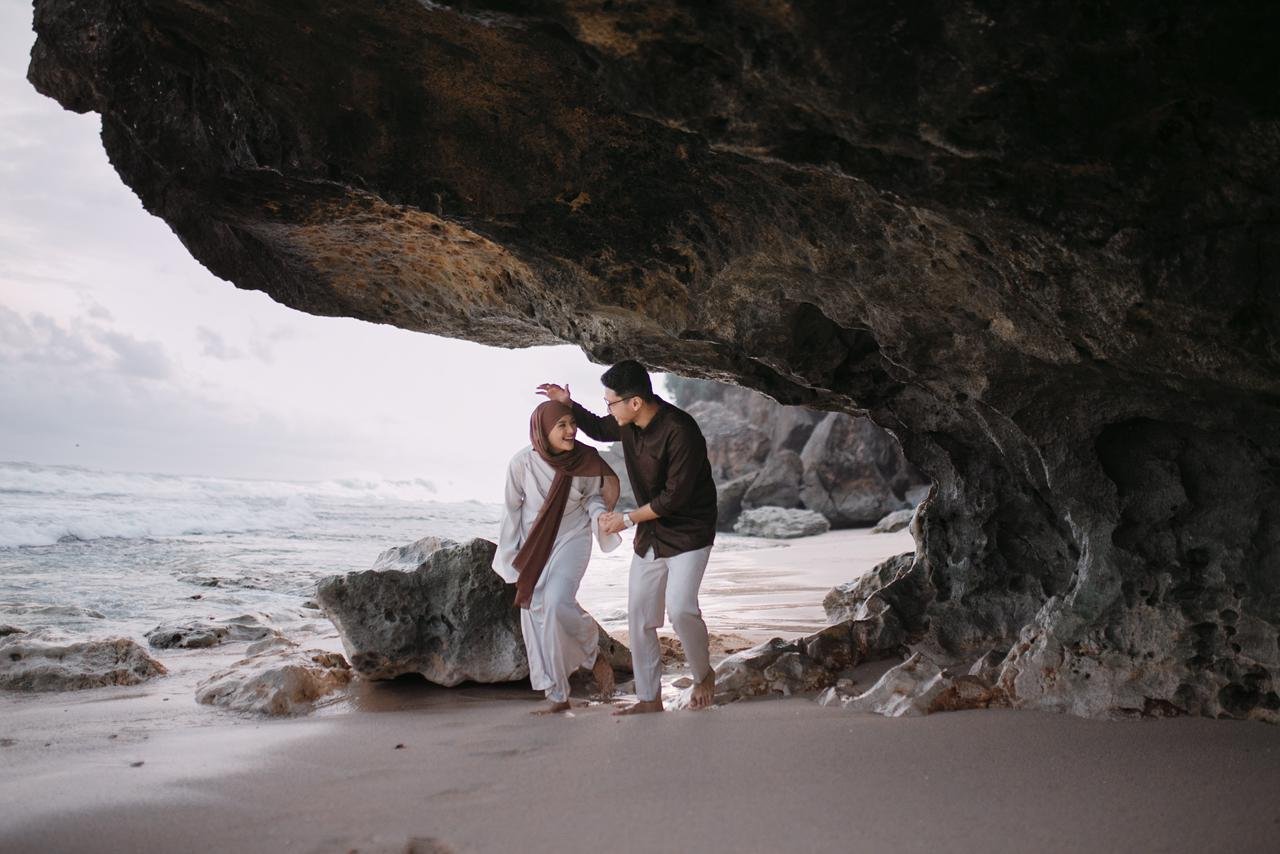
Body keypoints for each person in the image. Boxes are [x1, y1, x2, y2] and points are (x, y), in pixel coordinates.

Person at [537, 361, 718, 714]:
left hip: (690, 530)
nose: (608, 409)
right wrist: (568, 404)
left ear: (635, 402)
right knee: (639, 614)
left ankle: (703, 674)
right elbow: (597, 428)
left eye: (611, 403)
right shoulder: (627, 423)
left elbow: (673, 498)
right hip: (652, 533)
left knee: (681, 608)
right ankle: (649, 698)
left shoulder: (681, 431)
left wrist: (626, 519)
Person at [493, 400, 622, 714]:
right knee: (536, 613)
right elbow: (511, 512)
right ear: (543, 430)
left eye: (572, 423)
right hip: (535, 545)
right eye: (561, 425)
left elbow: (591, 499)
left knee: (556, 602)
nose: (571, 430)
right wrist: (510, 558)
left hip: (572, 538)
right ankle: (557, 694)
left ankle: (594, 655)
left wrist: (601, 516)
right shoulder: (522, 463)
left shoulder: (585, 460)